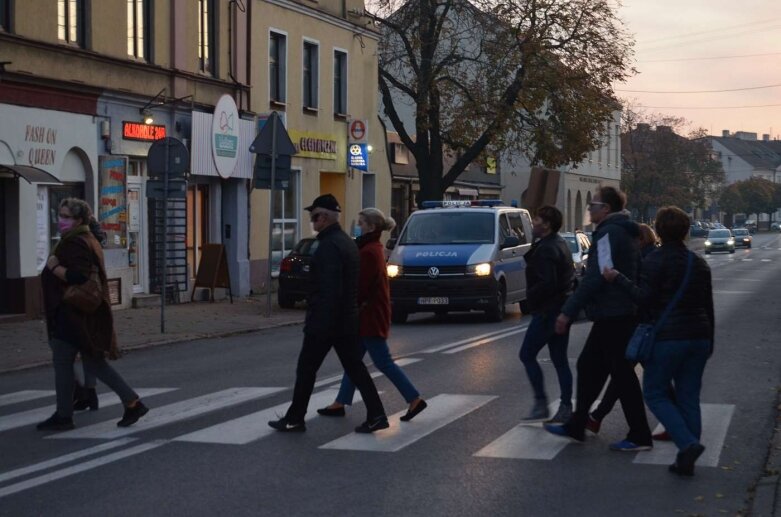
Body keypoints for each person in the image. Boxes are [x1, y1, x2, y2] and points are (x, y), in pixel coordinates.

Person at [603, 206, 714, 476]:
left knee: (654, 392)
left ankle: (687, 444)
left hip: (668, 337)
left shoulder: (654, 261)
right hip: (699, 336)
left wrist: (618, 278)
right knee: (688, 396)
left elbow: (644, 299)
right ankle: (687, 456)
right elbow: (708, 306)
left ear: (660, 230)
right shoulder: (698, 263)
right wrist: (710, 340)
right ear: (686, 231)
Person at [544, 186, 653, 451]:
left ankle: (639, 434)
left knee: (622, 376)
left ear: (606, 209)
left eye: (593, 205)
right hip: (618, 311)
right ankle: (578, 423)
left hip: (613, 313)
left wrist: (567, 312)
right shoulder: (625, 231)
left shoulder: (607, 233)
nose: (589, 209)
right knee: (589, 365)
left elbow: (596, 276)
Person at [269, 194, 389, 433]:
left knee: (306, 369)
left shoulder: (329, 247)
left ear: (324, 217)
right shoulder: (346, 242)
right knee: (355, 367)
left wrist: (316, 319)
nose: (312, 222)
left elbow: (328, 288)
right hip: (346, 318)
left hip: (327, 321)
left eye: (314, 217)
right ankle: (377, 414)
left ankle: (295, 418)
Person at [38, 198, 148, 431]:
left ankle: (64, 415)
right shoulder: (83, 238)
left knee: (64, 362)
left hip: (73, 313)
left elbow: (79, 276)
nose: (62, 220)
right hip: (80, 313)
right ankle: (132, 402)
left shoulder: (76, 242)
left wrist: (54, 267)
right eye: (61, 215)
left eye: (67, 216)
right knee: (94, 363)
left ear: (79, 220)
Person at [317, 208, 427, 421]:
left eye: (360, 223)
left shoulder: (369, 252)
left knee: (383, 362)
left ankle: (414, 399)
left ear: (371, 227)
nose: (357, 226)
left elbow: (361, 287)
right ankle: (340, 402)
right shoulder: (371, 247)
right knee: (353, 361)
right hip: (367, 315)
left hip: (369, 316)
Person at [585, 222, 661, 434]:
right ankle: (597, 416)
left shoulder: (646, 259)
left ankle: (602, 418)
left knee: (630, 375)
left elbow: (642, 294)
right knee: (624, 374)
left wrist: (618, 279)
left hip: (643, 325)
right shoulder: (649, 256)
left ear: (641, 240)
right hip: (645, 324)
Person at [519, 206, 575, 423]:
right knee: (560, 360)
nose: (534, 222)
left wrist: (530, 297)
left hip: (546, 312)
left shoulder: (546, 249)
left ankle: (541, 402)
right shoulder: (559, 243)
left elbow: (547, 283)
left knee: (527, 354)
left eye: (538, 219)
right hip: (561, 309)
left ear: (547, 225)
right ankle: (565, 405)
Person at [71, 215, 106, 412]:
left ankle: (82, 392)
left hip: (81, 301)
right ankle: (89, 393)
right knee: (88, 351)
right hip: (93, 302)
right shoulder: (95, 245)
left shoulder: (84, 246)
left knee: (66, 352)